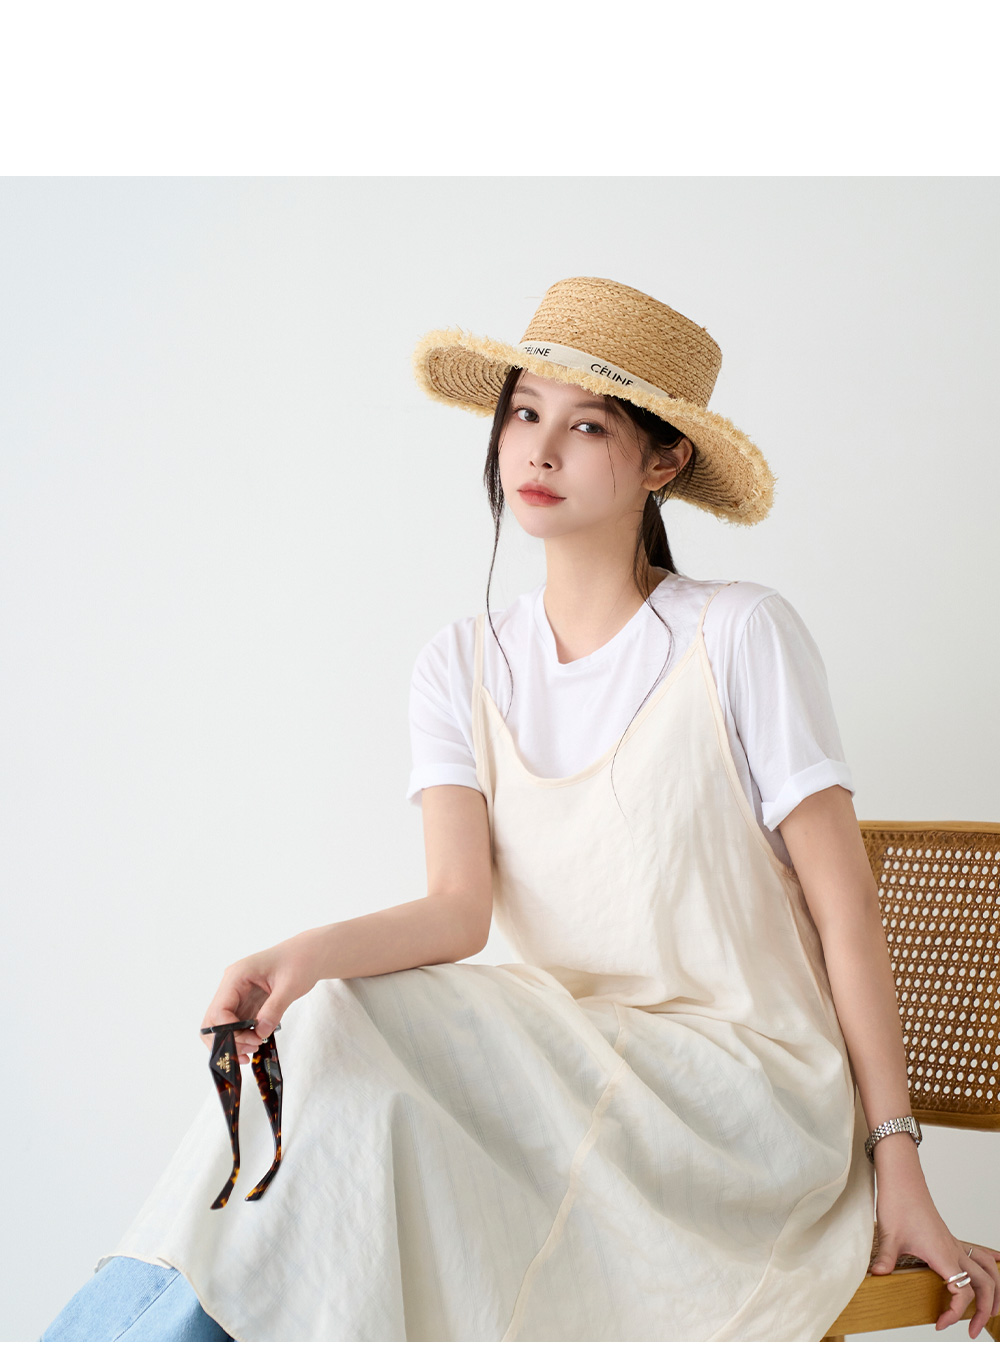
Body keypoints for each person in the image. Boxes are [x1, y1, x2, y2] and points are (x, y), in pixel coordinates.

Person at [41, 276, 1000, 1342]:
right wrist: (299, 959)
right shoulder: (456, 664)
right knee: (331, 1040)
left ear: (664, 461)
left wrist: (897, 1162)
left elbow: (845, 911)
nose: (538, 451)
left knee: (348, 1061)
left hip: (743, 1104)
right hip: (565, 1085)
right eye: (523, 413)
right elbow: (459, 911)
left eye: (586, 426)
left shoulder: (738, 635)